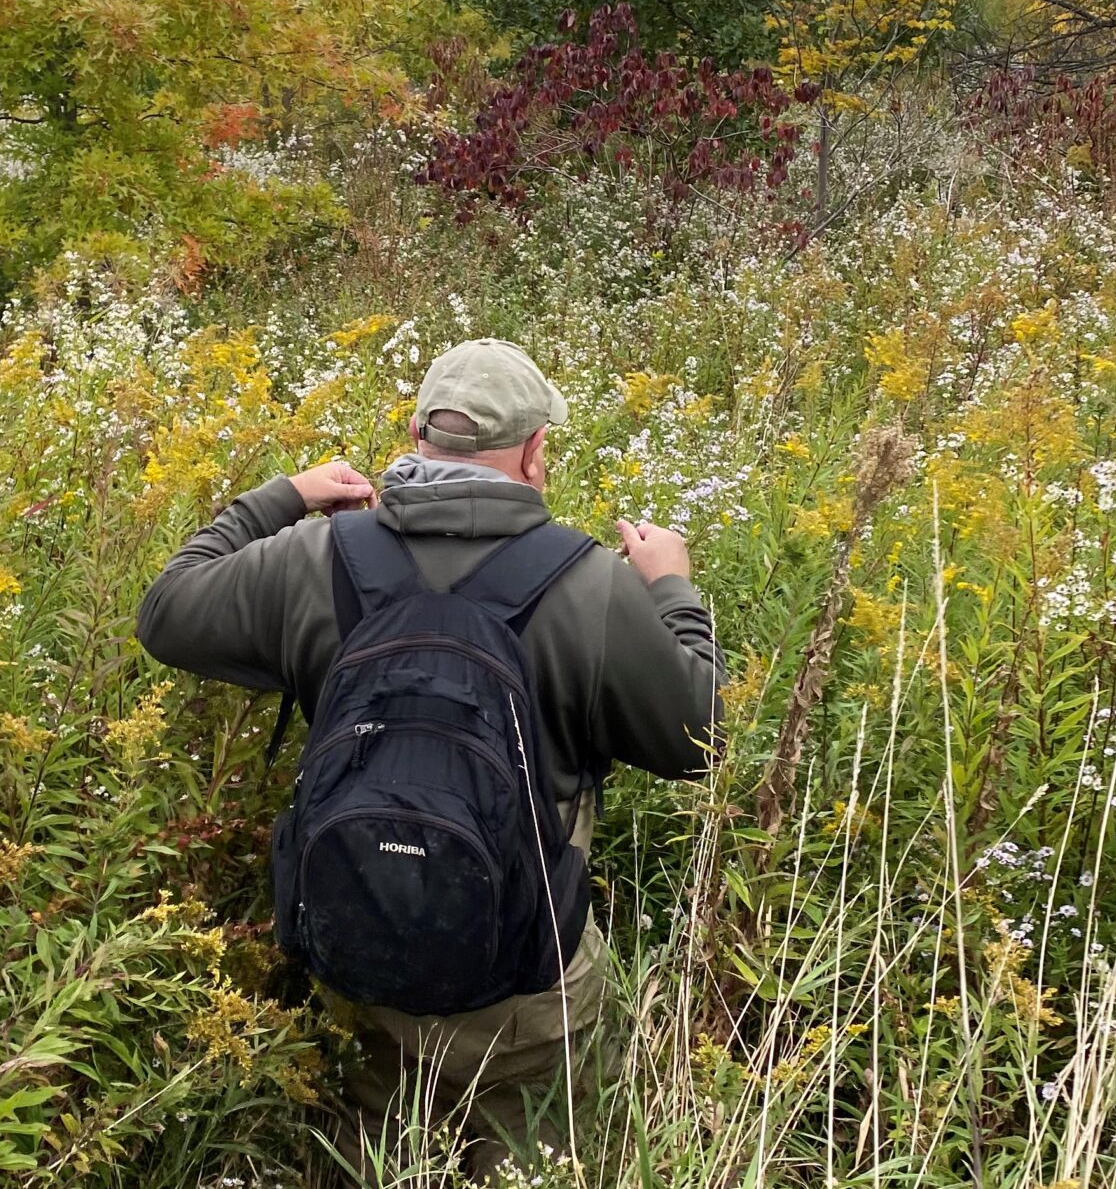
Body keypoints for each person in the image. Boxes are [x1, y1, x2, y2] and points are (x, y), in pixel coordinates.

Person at [136, 338, 724, 1179]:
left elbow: (166, 611)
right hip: (526, 993)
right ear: (532, 452)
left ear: (415, 435)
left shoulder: (316, 558)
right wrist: (669, 588)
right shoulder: (592, 587)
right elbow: (698, 738)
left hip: (355, 954)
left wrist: (286, 495)